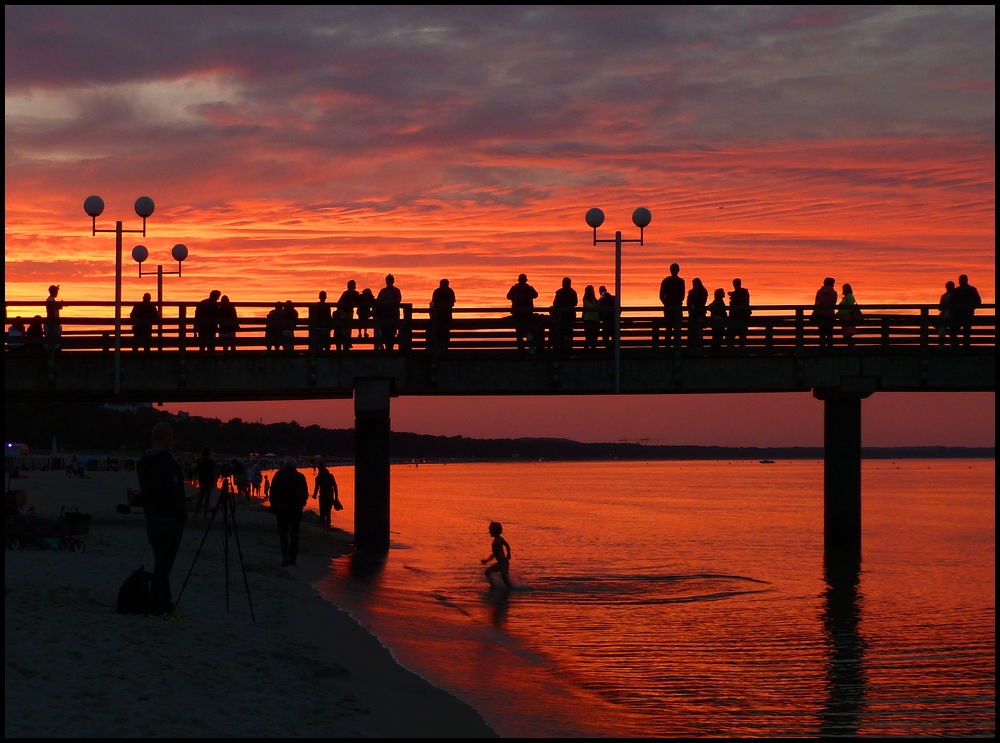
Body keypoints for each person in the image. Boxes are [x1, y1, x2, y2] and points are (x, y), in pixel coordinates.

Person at [136, 422, 187, 617]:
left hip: (152, 519)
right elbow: (174, 494)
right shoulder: (168, 463)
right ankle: (157, 606)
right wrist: (182, 515)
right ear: (168, 438)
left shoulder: (143, 462)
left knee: (161, 562)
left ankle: (165, 602)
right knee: (163, 566)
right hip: (169, 520)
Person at [268, 455, 308, 567]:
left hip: (282, 509)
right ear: (295, 465)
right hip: (296, 509)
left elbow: (273, 491)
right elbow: (305, 493)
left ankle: (286, 556)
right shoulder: (300, 476)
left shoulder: (278, 475)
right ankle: (293, 558)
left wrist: (273, 505)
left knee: (283, 534)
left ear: (284, 464)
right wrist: (302, 503)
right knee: (295, 534)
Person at [506, 273, 539, 354]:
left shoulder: (514, 288)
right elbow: (536, 295)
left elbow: (508, 296)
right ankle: (531, 351)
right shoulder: (529, 288)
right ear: (526, 280)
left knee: (519, 333)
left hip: (518, 315)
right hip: (528, 315)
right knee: (530, 333)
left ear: (518, 280)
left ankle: (521, 351)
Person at [948, 274, 982, 348]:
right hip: (969, 314)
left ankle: (955, 346)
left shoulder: (956, 291)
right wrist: (971, 307)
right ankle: (966, 347)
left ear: (959, 281)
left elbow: (949, 303)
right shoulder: (972, 289)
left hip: (957, 315)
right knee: (967, 331)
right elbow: (979, 302)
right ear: (967, 281)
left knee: (953, 331)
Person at [659, 263, 685, 351]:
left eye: (675, 270)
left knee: (677, 328)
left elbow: (682, 295)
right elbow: (661, 295)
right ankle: (668, 348)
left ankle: (677, 347)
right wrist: (666, 304)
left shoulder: (681, 281)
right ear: (670, 270)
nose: (674, 271)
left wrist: (678, 303)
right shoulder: (666, 281)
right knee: (669, 329)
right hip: (669, 309)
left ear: (678, 270)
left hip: (678, 307)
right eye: (673, 270)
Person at [375, 274, 402, 351]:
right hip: (383, 316)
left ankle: (390, 350)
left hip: (393, 316)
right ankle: (387, 349)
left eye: (390, 281)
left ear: (393, 282)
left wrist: (388, 302)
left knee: (391, 333)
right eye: (387, 281)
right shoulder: (382, 291)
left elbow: (398, 300)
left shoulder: (396, 291)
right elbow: (378, 301)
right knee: (384, 334)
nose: (388, 283)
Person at [481, 521, 512, 589]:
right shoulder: (500, 538)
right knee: (489, 572)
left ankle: (496, 586)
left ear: (495, 531)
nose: (489, 532)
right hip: (503, 562)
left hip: (502, 563)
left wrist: (486, 560)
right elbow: (507, 546)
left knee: (504, 578)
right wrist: (509, 554)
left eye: (490, 530)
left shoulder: (495, 542)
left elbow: (495, 554)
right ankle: (495, 586)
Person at [551, 277, 578, 355]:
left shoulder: (559, 292)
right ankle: (569, 350)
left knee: (562, 335)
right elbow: (575, 303)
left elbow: (555, 304)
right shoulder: (573, 292)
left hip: (561, 317)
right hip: (570, 317)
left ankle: (562, 350)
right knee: (569, 334)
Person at [311, 462, 340, 533]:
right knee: (327, 513)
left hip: (323, 497)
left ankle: (324, 529)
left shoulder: (318, 477)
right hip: (329, 496)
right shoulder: (330, 476)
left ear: (319, 469)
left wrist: (314, 495)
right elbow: (335, 487)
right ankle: (326, 529)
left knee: (323, 513)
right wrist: (336, 497)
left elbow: (316, 487)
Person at [430, 278, 456, 354]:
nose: (444, 286)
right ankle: (440, 349)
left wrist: (443, 306)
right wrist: (443, 306)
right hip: (438, 316)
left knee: (446, 332)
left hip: (447, 316)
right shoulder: (436, 292)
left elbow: (452, 303)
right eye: (443, 285)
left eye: (446, 285)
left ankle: (445, 348)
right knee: (439, 332)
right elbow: (434, 303)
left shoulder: (450, 291)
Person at [813, 277, 838, 349]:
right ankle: (830, 348)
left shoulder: (819, 292)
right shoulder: (834, 293)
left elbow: (816, 303)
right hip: (830, 315)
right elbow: (834, 303)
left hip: (821, 315)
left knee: (822, 333)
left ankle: (822, 348)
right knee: (830, 333)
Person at [194, 290, 221, 354]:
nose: (218, 298)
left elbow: (196, 315)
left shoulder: (202, 303)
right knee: (210, 344)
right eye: (218, 296)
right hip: (210, 327)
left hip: (202, 327)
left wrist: (195, 328)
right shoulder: (215, 304)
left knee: (202, 344)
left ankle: (201, 356)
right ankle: (210, 357)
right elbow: (217, 315)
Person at [727, 279, 751, 349]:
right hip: (744, 317)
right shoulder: (745, 292)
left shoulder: (735, 294)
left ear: (734, 284)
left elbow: (733, 305)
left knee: (732, 335)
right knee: (742, 336)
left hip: (735, 318)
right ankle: (742, 351)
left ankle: (731, 351)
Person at [337, 281, 360, 351]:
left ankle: (348, 343)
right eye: (350, 286)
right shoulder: (345, 294)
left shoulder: (356, 294)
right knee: (344, 329)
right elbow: (339, 303)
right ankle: (345, 344)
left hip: (350, 312)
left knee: (349, 328)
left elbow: (359, 301)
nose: (351, 288)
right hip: (343, 311)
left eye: (352, 287)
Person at [686, 278, 709, 351]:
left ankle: (699, 349)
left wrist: (695, 306)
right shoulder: (691, 292)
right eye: (693, 284)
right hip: (692, 315)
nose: (694, 286)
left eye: (695, 284)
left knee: (698, 333)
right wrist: (691, 305)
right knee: (691, 333)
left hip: (699, 315)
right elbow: (688, 302)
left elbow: (702, 302)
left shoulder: (703, 292)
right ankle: (691, 349)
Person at [837, 283, 861, 348]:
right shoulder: (846, 297)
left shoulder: (849, 296)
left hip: (847, 318)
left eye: (846, 289)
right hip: (844, 317)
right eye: (844, 288)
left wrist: (842, 313)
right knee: (847, 334)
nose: (844, 290)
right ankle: (851, 347)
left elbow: (851, 307)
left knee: (848, 334)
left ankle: (852, 347)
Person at [195, 447, 216, 517]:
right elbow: (212, 472)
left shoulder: (199, 460)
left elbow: (197, 471)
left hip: (202, 480)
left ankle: (196, 512)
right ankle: (205, 514)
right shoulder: (211, 461)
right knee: (207, 497)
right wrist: (214, 482)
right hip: (209, 480)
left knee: (201, 497)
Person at [582, 285, 600, 353]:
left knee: (595, 336)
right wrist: (599, 302)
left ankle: (593, 350)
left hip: (595, 320)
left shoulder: (594, 300)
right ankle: (587, 351)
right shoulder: (586, 300)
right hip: (589, 320)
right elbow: (591, 307)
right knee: (588, 336)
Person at [45, 284, 63, 351]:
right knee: (55, 336)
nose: (57, 293)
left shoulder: (50, 299)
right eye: (56, 292)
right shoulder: (51, 300)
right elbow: (53, 309)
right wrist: (60, 306)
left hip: (52, 321)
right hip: (53, 321)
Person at [936, 281, 955, 348]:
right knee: (942, 331)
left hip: (953, 316)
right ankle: (942, 346)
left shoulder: (955, 296)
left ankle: (951, 346)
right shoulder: (944, 296)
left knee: (952, 332)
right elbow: (940, 308)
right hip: (945, 316)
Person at [598, 285, 616, 351]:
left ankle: (608, 349)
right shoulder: (613, 298)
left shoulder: (602, 300)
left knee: (606, 336)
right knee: (613, 336)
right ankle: (613, 349)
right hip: (613, 321)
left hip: (607, 321)